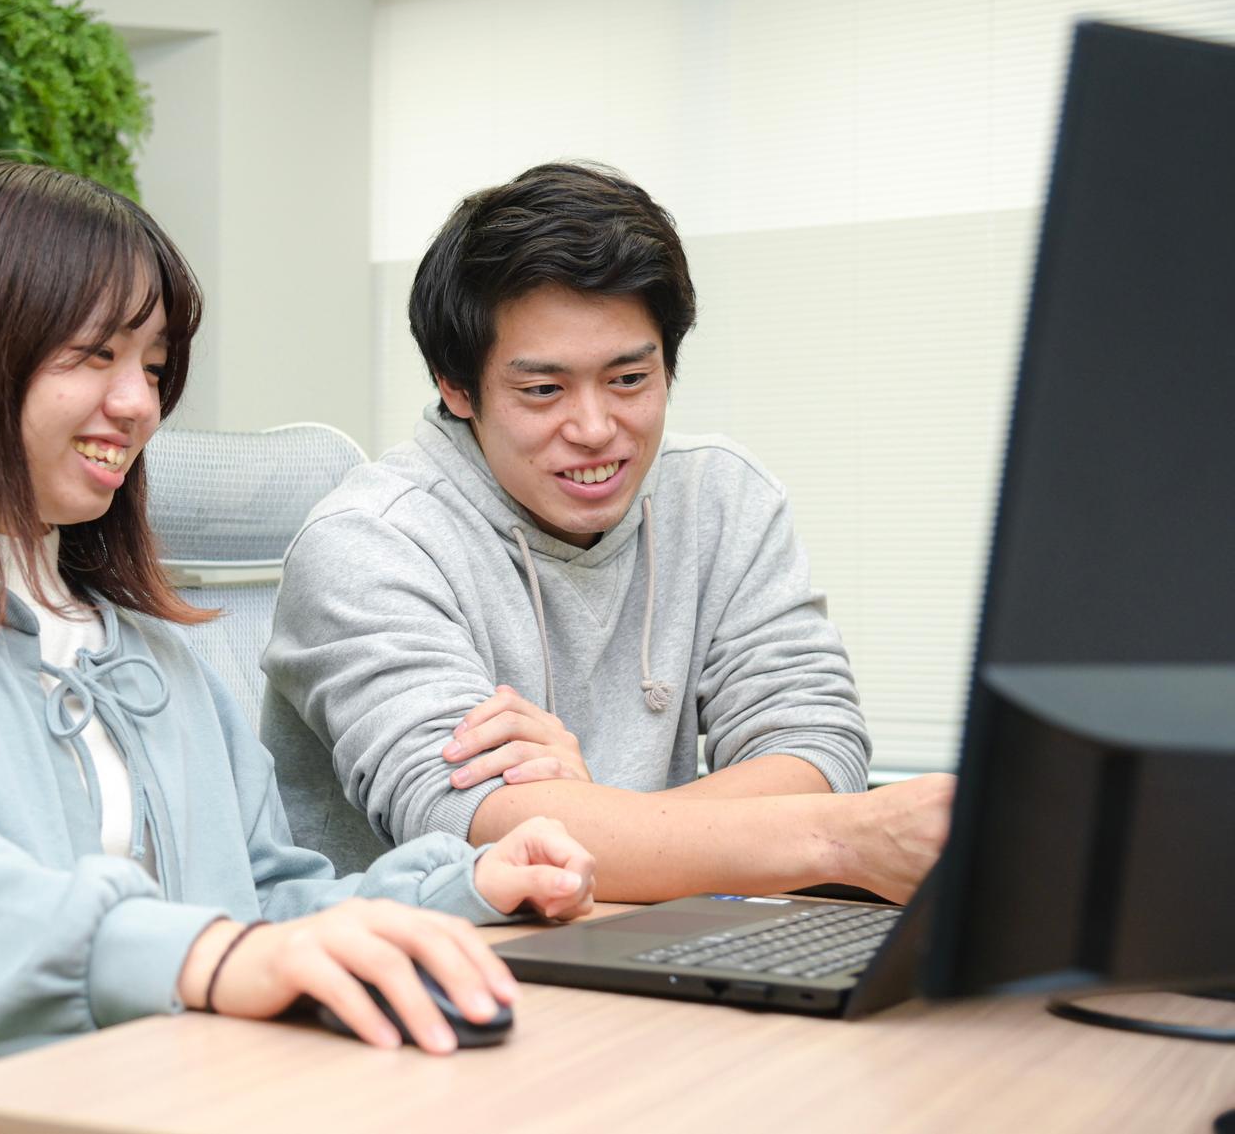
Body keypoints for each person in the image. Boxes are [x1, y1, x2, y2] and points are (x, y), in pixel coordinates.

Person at [0, 162, 598, 1134]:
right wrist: (207, 957)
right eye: (93, 355)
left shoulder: (152, 656)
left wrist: (462, 885)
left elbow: (264, 905)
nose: (139, 404)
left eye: (154, 368)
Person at [262, 161, 954, 903]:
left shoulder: (721, 499)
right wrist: (834, 837)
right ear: (455, 386)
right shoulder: (368, 543)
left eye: (629, 380)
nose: (595, 429)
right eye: (543, 389)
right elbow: (474, 828)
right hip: (430, 956)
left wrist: (595, 814)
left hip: (651, 939)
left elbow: (816, 749)